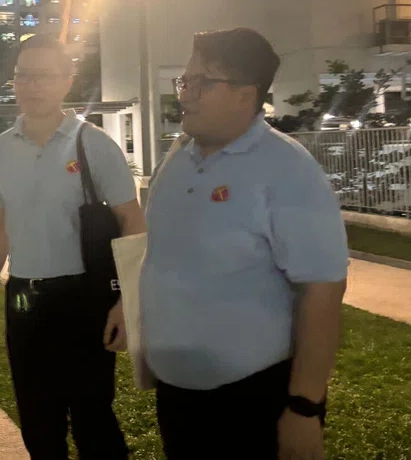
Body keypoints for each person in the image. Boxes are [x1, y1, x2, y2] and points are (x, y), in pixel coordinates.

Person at [140, 28, 349, 460]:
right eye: (184, 82)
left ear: (245, 95)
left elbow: (323, 290)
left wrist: (304, 407)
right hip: (179, 397)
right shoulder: (179, 156)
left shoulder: (287, 169)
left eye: (202, 83)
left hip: (253, 402)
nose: (185, 95)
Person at [0, 34, 146, 460]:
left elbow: (132, 220)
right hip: (23, 294)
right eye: (23, 77)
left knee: (92, 417)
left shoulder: (93, 144)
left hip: (82, 295)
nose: (32, 86)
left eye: (44, 76)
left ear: (66, 81)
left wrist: (127, 302)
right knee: (37, 419)